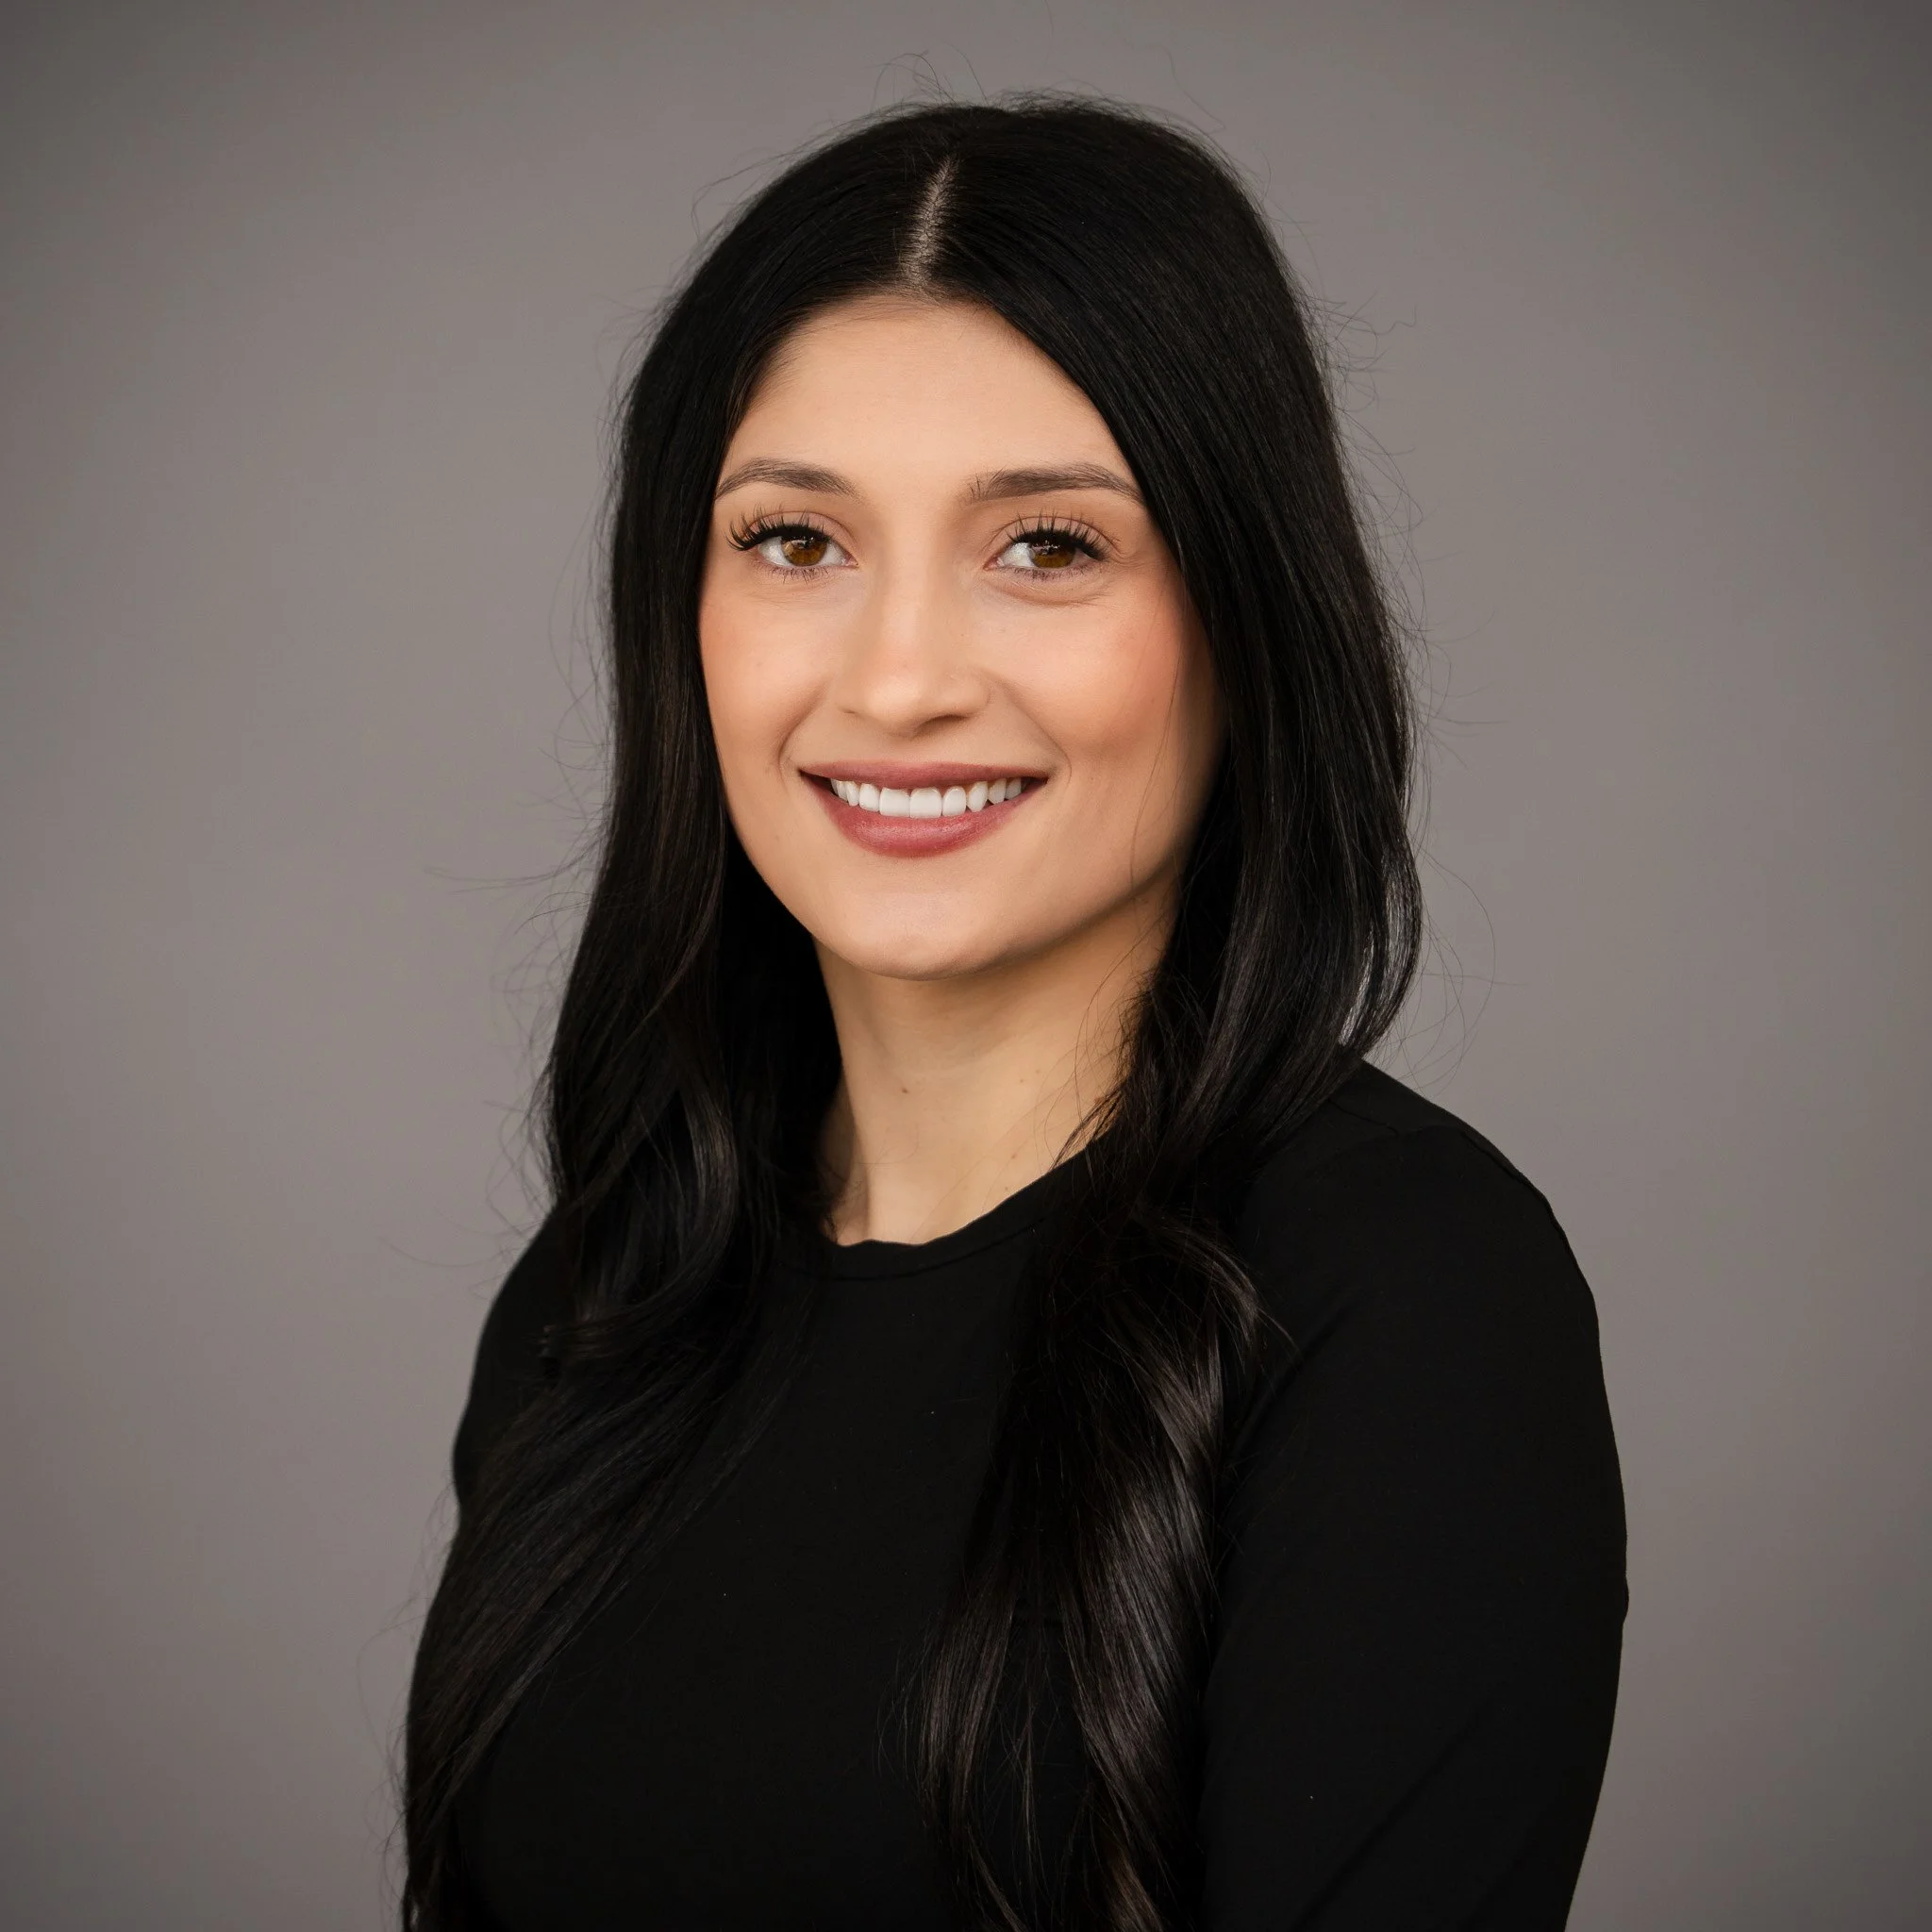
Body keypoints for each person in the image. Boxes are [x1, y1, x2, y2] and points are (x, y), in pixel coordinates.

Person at [402, 97, 1626, 1932]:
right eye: (794, 543)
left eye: (1047, 545)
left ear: (1243, 620)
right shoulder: (608, 1294)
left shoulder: (1406, 1296)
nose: (896, 681)